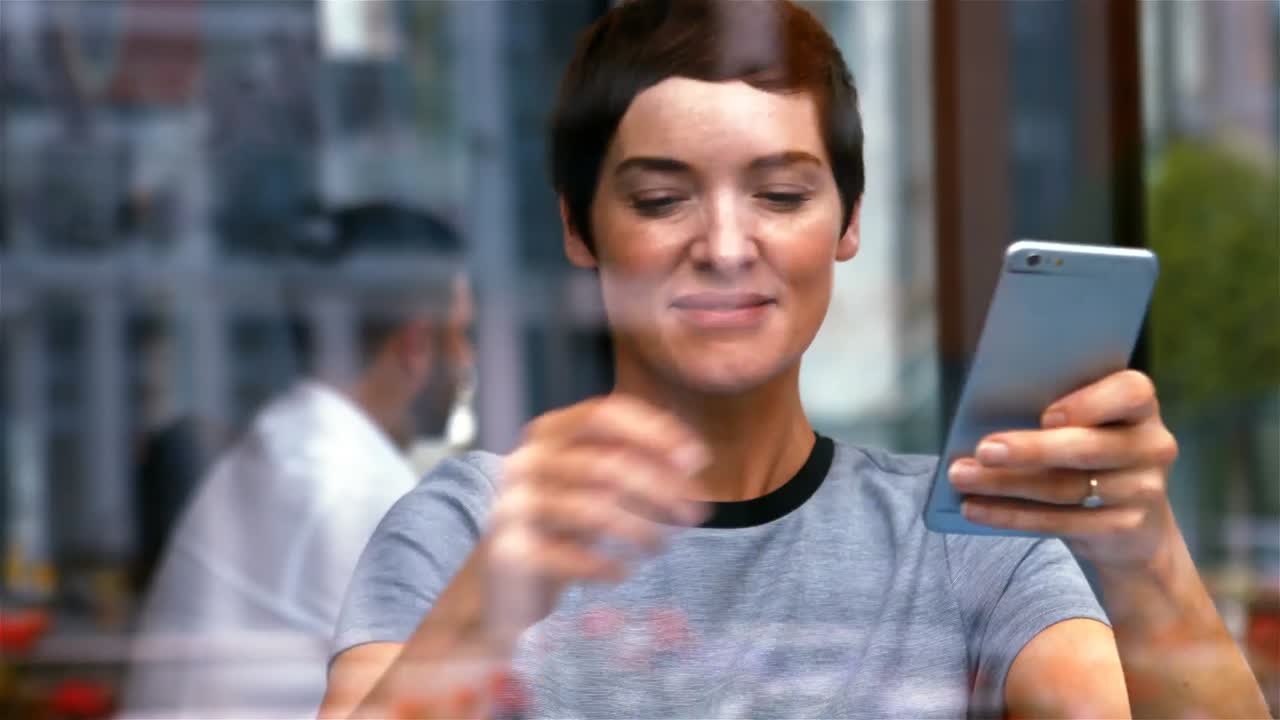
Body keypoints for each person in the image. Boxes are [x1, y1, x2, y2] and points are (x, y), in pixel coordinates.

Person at [321, 2, 1269, 718]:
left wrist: (1147, 557)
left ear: (849, 221)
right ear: (579, 228)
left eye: (779, 195)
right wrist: (487, 604)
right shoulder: (467, 529)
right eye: (660, 201)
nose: (726, 247)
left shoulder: (969, 541)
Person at [121, 204, 474, 719]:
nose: (467, 361)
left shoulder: (287, 445)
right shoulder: (358, 492)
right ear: (416, 345)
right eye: (462, 335)